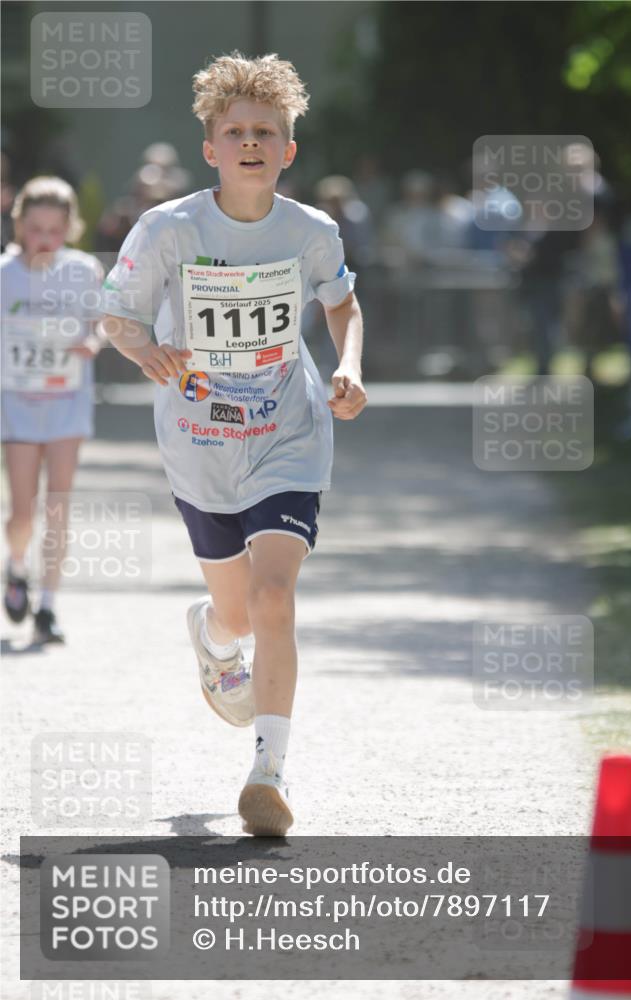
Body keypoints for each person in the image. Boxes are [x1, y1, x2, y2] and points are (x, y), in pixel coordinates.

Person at [99, 52, 367, 836]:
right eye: (235, 131)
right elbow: (118, 316)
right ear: (210, 147)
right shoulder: (169, 229)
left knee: (275, 594)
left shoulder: (311, 230)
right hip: (199, 442)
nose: (251, 143)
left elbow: (344, 305)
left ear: (289, 150)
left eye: (267, 132)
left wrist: (348, 366)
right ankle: (214, 640)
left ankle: (268, 772)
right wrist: (145, 349)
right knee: (239, 615)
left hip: (288, 431)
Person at [1, 176, 105, 642]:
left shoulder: (82, 271)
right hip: (18, 405)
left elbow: (101, 325)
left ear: (70, 229)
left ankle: (48, 607)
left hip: (67, 403)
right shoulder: (4, 275)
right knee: (23, 512)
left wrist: (92, 341)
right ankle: (17, 566)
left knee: (58, 508)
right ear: (20, 225)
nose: (45, 239)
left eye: (55, 230)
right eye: (36, 228)